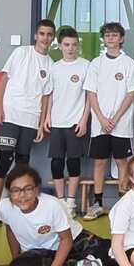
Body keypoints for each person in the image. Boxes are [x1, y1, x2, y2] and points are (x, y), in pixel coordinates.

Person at [0, 19, 55, 227]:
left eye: (49, 34)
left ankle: (18, 206)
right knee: (4, 159)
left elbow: (46, 97)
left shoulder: (50, 65)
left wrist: (41, 123)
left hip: (31, 118)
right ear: (36, 35)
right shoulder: (21, 53)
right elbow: (4, 79)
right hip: (11, 114)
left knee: (22, 164)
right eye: (42, 33)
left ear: (52, 38)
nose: (45, 38)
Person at [0, 165, 113, 266]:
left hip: (75, 241)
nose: (22, 195)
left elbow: (66, 239)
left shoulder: (52, 205)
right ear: (9, 192)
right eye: (15, 190)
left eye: (28, 189)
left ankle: (74, 262)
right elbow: (11, 231)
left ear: (37, 189)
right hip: (43, 253)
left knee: (114, 253)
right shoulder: (5, 207)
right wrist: (14, 260)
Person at [82, 22, 134, 220]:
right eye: (107, 35)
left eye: (115, 35)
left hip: (121, 125)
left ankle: (123, 203)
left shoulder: (128, 64)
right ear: (103, 39)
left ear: (121, 38)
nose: (111, 38)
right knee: (99, 162)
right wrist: (101, 118)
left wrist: (115, 119)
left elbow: (132, 93)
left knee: (122, 162)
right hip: (99, 124)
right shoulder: (96, 63)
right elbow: (91, 93)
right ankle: (97, 203)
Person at [41, 26, 89, 217]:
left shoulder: (86, 66)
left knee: (74, 162)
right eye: (67, 45)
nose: (70, 48)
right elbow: (50, 95)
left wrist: (84, 120)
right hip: (57, 123)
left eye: (74, 45)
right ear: (60, 46)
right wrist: (47, 117)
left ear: (78, 46)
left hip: (75, 122)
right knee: (57, 163)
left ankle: (71, 202)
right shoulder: (54, 67)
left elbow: (89, 97)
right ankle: (60, 202)